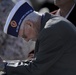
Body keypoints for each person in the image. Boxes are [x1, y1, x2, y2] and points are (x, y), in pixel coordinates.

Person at [1, 0, 76, 75]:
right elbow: (35, 63)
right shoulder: (51, 24)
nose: (27, 40)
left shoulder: (50, 30)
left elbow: (35, 69)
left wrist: (3, 66)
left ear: (30, 24)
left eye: (24, 36)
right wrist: (4, 64)